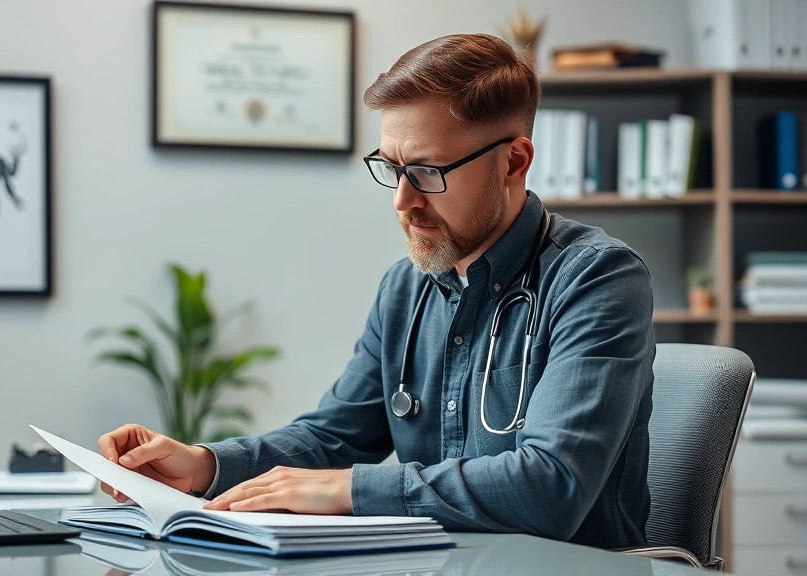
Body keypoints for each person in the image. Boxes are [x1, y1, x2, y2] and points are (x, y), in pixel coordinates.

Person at [98, 33, 655, 550]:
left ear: (513, 162)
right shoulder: (405, 288)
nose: (403, 200)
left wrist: (347, 491)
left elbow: (549, 487)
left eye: (428, 172)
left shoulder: (598, 279)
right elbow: (332, 438)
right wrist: (203, 464)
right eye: (391, 169)